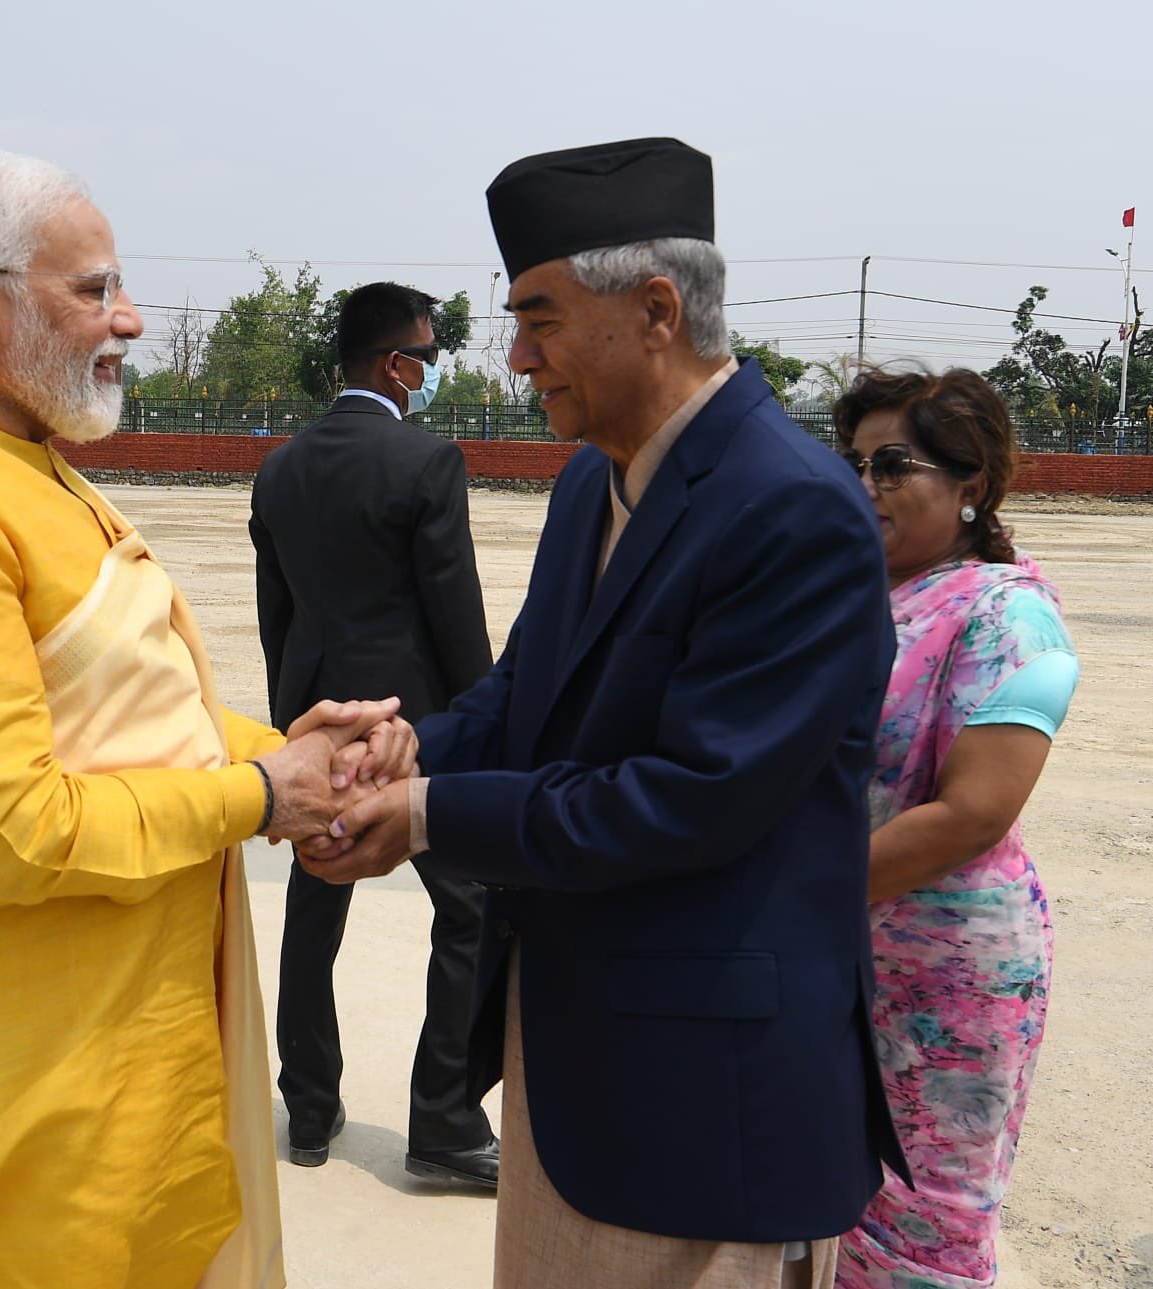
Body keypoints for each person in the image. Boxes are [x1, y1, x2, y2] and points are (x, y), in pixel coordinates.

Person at [0, 152, 410, 1289]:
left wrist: (299, 751)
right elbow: (12, 827)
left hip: (120, 1059)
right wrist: (265, 795)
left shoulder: (30, 467)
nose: (129, 319)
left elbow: (126, 710)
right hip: (4, 1101)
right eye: (94, 288)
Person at [303, 137, 910, 1289]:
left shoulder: (794, 510)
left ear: (655, 309)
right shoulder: (593, 475)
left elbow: (690, 799)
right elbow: (528, 694)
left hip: (705, 1106)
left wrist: (424, 812)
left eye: (539, 317)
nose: (518, 356)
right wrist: (403, 744)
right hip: (576, 1062)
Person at [830, 370, 1078, 1289]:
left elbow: (974, 813)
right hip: (847, 945)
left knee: (927, 1222)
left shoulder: (1007, 613)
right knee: (840, 1205)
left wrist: (795, 896)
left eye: (893, 464)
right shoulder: (860, 599)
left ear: (972, 483)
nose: (866, 486)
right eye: (853, 463)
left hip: (948, 970)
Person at [250, 282, 500, 1184]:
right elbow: (454, 613)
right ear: (397, 363)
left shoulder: (278, 469)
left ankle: (310, 1110)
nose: (430, 370)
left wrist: (301, 735)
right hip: (412, 736)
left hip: (320, 731)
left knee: (313, 913)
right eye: (428, 356)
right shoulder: (429, 461)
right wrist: (476, 731)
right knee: (468, 911)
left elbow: (277, 618)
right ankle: (443, 1121)